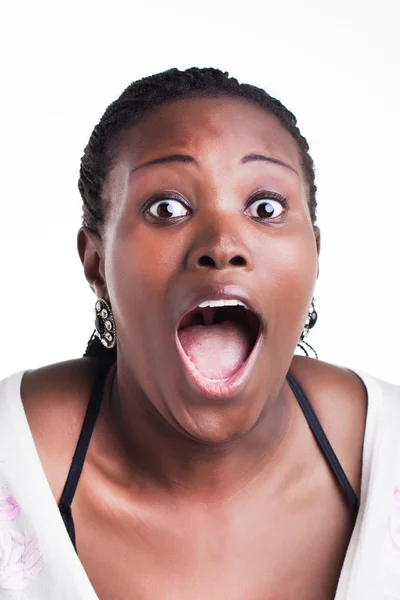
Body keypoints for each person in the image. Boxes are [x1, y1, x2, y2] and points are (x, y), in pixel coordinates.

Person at [0, 67, 399, 600]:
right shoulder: (12, 463)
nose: (222, 243)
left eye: (265, 207)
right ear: (96, 264)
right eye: (167, 208)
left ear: (316, 256)